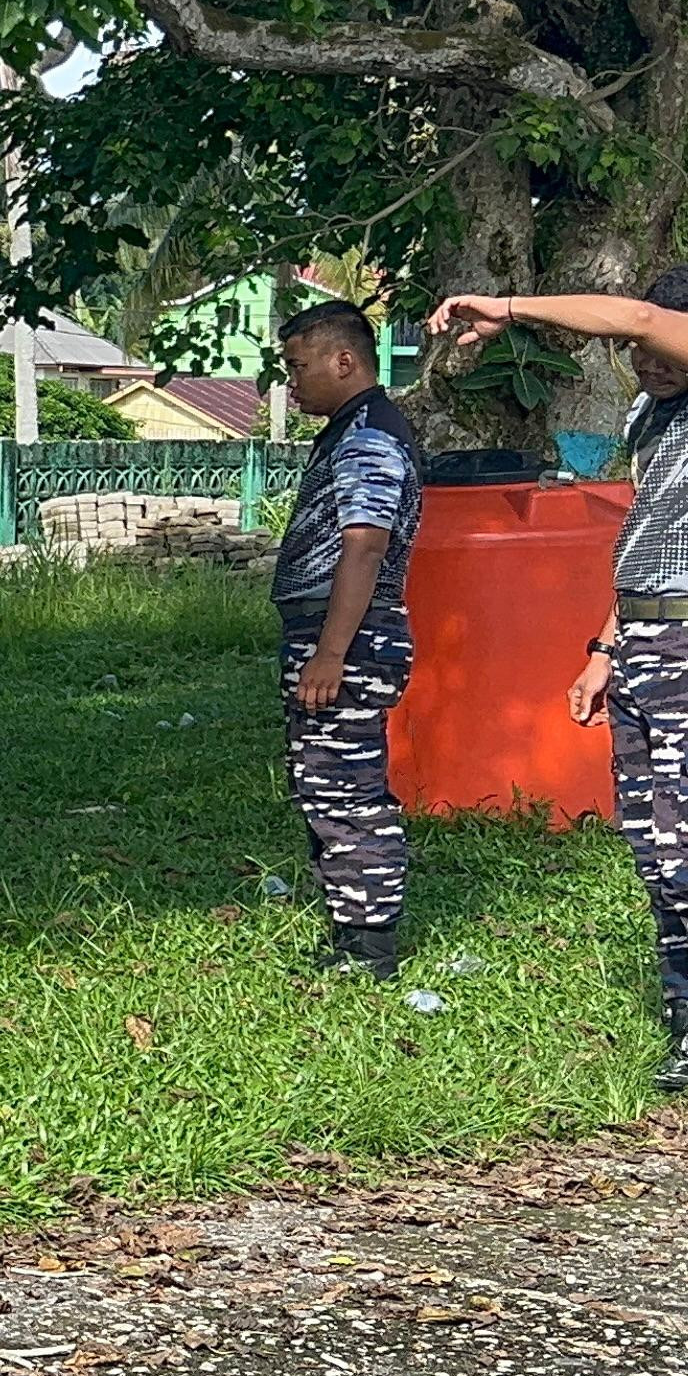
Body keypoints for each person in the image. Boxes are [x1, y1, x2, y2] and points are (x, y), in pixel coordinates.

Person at [433, 268, 688, 1145]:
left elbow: (641, 316)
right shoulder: (650, 415)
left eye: (661, 347)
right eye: (637, 353)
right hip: (647, 643)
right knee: (654, 852)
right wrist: (605, 649)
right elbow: (649, 531)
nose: (645, 358)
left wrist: (507, 309)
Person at [264, 301, 424, 982]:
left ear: (344, 360)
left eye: (299, 368)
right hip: (331, 631)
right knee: (321, 785)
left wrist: (331, 654)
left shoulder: (368, 436)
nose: (292, 383)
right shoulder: (348, 430)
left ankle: (369, 947)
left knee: (346, 792)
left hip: (350, 636)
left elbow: (363, 547)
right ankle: (347, 930)